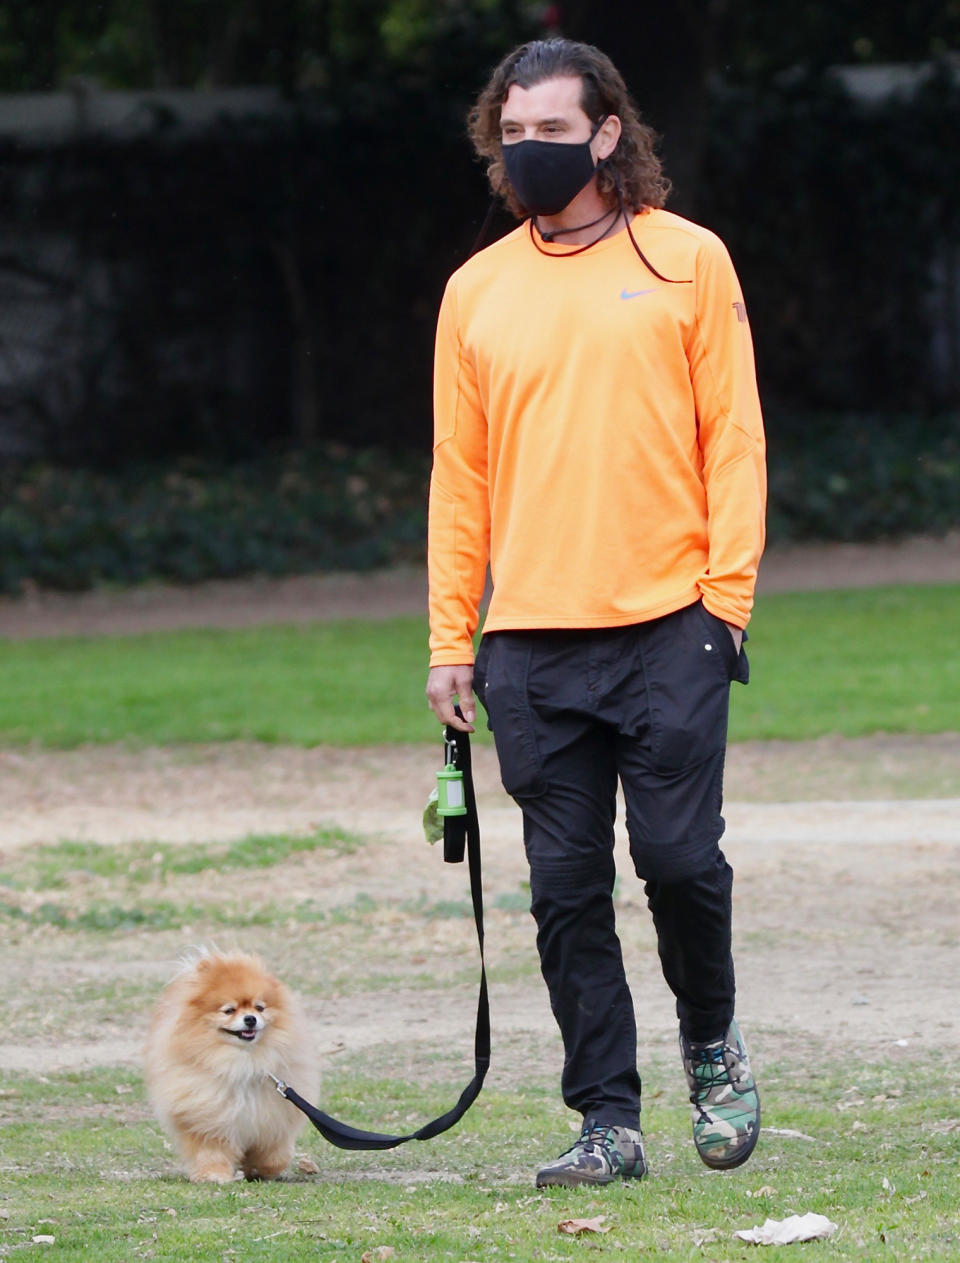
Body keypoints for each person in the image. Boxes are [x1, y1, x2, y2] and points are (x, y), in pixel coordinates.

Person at [425, 37, 766, 1189]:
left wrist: (725, 605)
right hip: (526, 645)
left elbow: (738, 442)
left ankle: (710, 1042)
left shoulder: (688, 262)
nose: (531, 152)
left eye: (554, 132)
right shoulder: (476, 290)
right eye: (513, 133)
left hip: (672, 624)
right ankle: (606, 1122)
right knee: (566, 895)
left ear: (608, 133)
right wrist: (447, 643)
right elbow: (457, 477)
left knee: (678, 863)